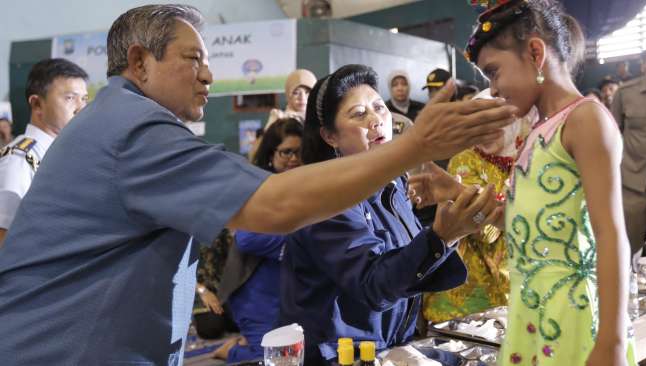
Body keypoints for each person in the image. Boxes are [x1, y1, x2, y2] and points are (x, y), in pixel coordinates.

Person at [0, 5, 517, 365]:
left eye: (381, 108)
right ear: (139, 63)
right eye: (192, 59)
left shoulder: (122, 124)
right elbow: (273, 206)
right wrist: (416, 145)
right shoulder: (132, 129)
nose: (207, 75)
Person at [279, 64, 504, 364]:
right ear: (330, 136)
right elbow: (373, 284)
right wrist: (442, 235)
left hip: (389, 345)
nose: (375, 120)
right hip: (338, 355)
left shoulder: (393, 183)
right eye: (359, 114)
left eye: (379, 108)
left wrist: (451, 203)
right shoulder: (323, 197)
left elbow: (398, 248)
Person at [463, 0, 636, 364]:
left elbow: (611, 233)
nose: (493, 89)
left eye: (493, 73)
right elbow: (527, 227)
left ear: (535, 52)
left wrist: (612, 341)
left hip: (572, 314)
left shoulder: (585, 120)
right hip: (532, 315)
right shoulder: (538, 130)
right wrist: (454, 192)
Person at [423, 90, 536, 323]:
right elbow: (484, 229)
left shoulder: (526, 159)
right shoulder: (464, 161)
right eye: (478, 125)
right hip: (468, 294)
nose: (486, 133)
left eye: (495, 123)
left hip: (513, 284)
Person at [215, 118, 304, 362]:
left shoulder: (306, 185)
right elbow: (247, 238)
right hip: (256, 293)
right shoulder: (258, 186)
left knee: (297, 353)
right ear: (271, 153)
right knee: (268, 358)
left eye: (300, 152)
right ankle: (232, 351)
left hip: (290, 290)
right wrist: (303, 241)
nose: (294, 159)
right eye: (287, 152)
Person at [0, 58, 88, 247]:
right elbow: (4, 238)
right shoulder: (20, 159)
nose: (81, 108)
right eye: (70, 98)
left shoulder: (64, 152)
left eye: (84, 99)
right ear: (37, 104)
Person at [611, 46, 646, 255]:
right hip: (634, 182)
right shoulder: (625, 93)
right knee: (630, 245)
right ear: (644, 65)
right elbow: (611, 135)